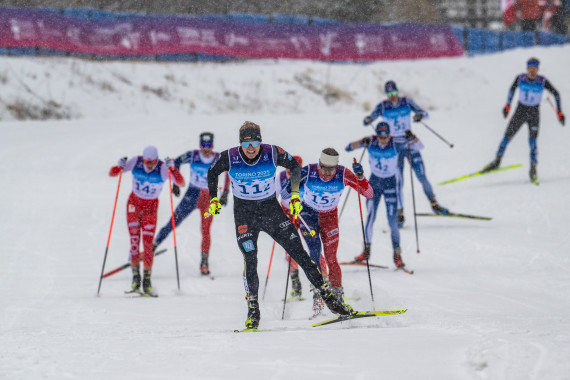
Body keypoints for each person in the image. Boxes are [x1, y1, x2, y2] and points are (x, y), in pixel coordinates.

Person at [207, 121, 354, 330]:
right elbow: (212, 172)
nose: (251, 148)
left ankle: (330, 300)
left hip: (270, 211)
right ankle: (253, 311)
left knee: (300, 254)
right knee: (250, 259)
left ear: (260, 141)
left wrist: (295, 195)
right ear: (240, 143)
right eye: (246, 143)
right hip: (244, 215)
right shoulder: (229, 156)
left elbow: (294, 166)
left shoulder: (272, 153)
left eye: (255, 142)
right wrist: (213, 198)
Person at [294, 147, 373, 315]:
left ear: (336, 166)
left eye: (331, 169)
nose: (327, 173)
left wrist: (360, 177)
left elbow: (368, 193)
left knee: (331, 258)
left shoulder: (342, 174)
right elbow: (288, 191)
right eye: (324, 168)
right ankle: (319, 298)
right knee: (314, 255)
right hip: (308, 215)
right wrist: (293, 195)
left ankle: (338, 300)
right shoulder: (309, 171)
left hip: (329, 217)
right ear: (319, 163)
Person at [363, 80, 448, 228]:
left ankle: (434, 203)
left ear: (397, 91)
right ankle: (400, 212)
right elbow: (371, 118)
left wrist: (420, 116)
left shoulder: (406, 102)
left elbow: (425, 114)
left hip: (410, 144)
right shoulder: (383, 106)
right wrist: (368, 119)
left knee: (422, 176)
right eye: (389, 93)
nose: (392, 96)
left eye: (394, 92)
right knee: (398, 182)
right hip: (394, 149)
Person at [109, 146, 185, 297]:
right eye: (147, 161)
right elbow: (113, 173)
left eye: (152, 161)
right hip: (133, 205)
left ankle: (147, 281)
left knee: (148, 244)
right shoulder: (136, 162)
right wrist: (119, 166)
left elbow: (181, 183)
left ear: (157, 160)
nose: (149, 164)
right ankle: (135, 279)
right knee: (134, 242)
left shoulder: (163, 168)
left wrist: (173, 169)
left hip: (151, 208)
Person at [347, 122, 421, 270]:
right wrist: (362, 142)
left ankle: (397, 255)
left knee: (392, 222)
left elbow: (419, 147)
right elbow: (349, 147)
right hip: (374, 183)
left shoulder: (396, 142)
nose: (383, 140)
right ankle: (366, 252)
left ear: (389, 134)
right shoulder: (372, 141)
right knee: (370, 216)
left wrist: (412, 137)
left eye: (385, 136)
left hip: (390, 184)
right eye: (380, 137)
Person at [153, 132, 230, 275]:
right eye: (203, 145)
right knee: (174, 220)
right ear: (200, 145)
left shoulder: (218, 158)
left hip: (209, 198)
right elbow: (176, 162)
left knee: (206, 230)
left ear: (212, 145)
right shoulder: (193, 155)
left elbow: (229, 171)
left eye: (209, 145)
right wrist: (176, 183)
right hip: (192, 194)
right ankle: (154, 244)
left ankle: (204, 261)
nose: (206, 149)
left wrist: (225, 192)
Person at [483, 57, 564, 183]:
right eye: (530, 69)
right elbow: (511, 89)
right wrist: (507, 106)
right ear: (527, 69)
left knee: (532, 142)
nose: (532, 71)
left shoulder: (542, 81)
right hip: (520, 111)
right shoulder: (520, 78)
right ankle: (496, 161)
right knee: (507, 137)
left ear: (538, 70)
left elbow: (556, 94)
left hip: (534, 114)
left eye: (535, 69)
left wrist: (559, 112)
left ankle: (533, 168)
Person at [275, 155, 329, 301]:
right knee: (290, 247)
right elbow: (275, 196)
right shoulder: (280, 177)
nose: (291, 172)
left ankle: (325, 281)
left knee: (314, 247)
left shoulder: (305, 177)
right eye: (288, 169)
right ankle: (295, 284)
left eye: (294, 169)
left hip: (303, 212)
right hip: (287, 213)